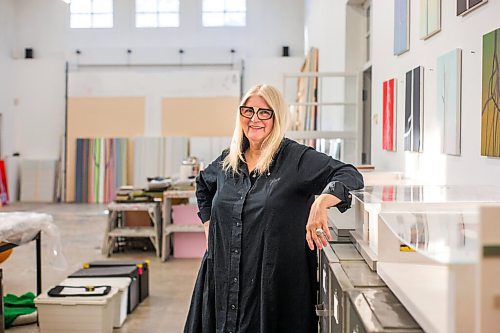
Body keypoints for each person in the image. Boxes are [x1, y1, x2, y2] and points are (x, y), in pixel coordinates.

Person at [184, 84, 364, 333]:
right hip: (223, 281)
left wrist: (322, 201)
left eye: (264, 112)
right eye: (248, 111)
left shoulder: (296, 159)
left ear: (276, 117)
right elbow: (203, 184)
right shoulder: (229, 160)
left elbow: (348, 174)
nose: (254, 119)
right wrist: (208, 226)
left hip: (271, 290)